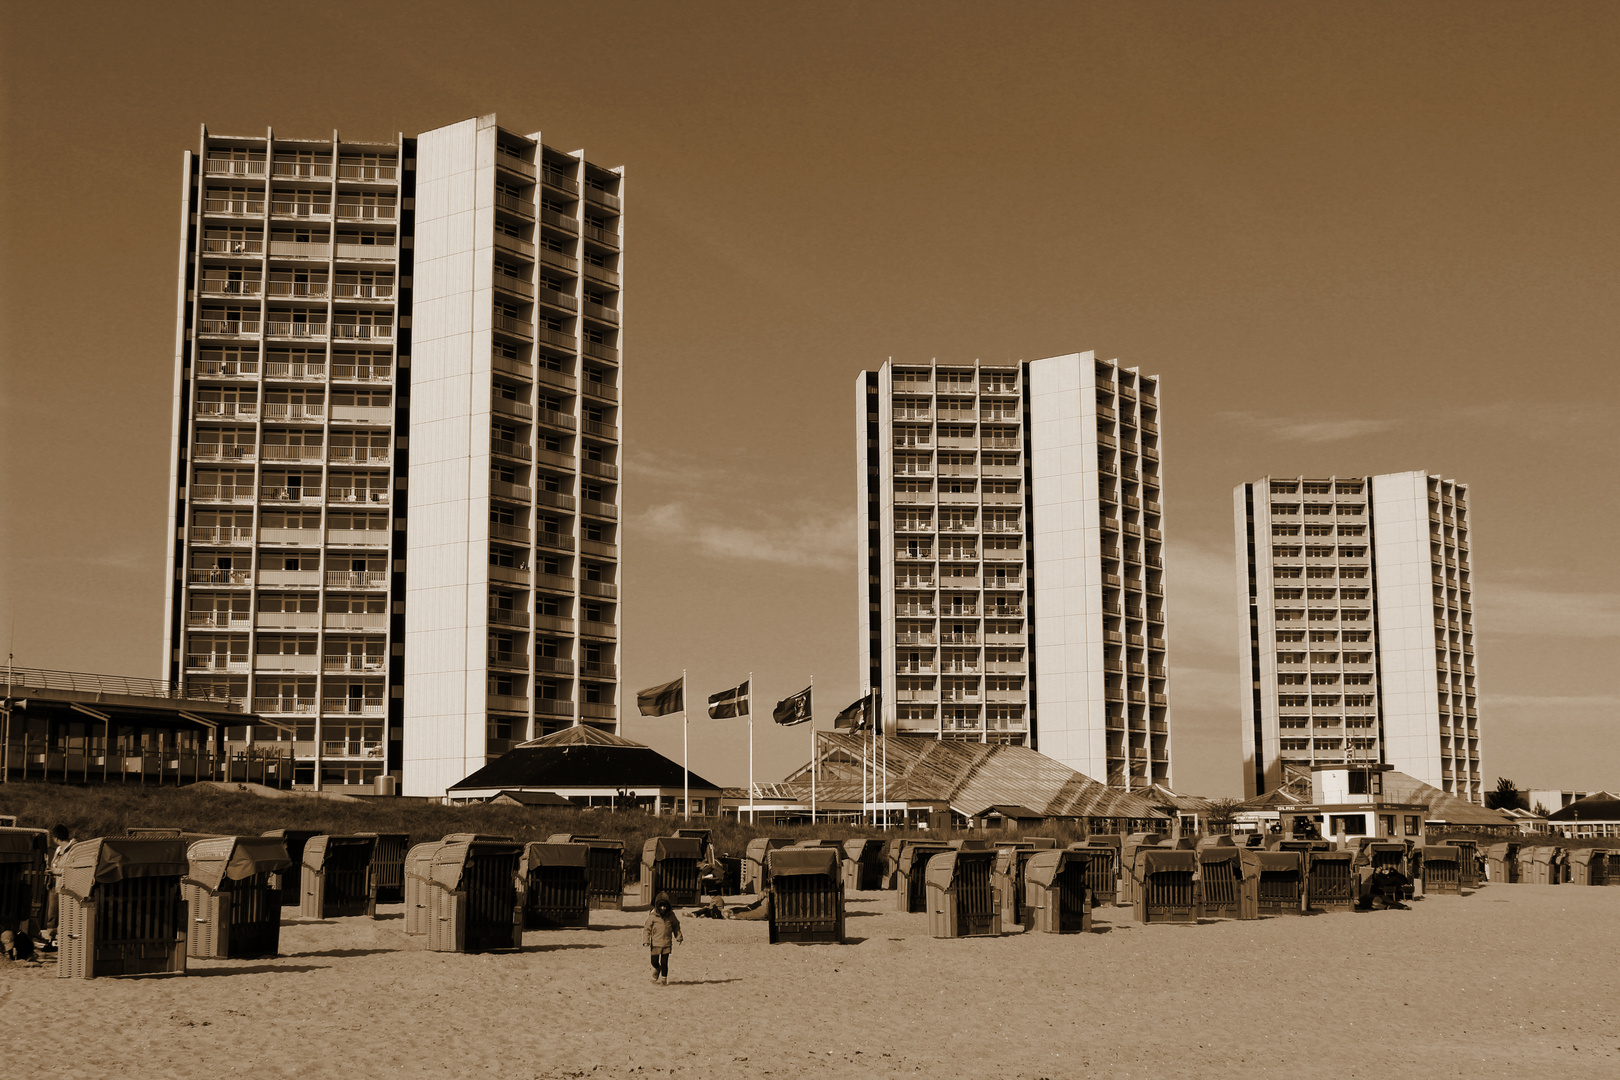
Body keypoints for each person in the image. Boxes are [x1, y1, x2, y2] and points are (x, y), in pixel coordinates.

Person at [642, 893, 682, 986]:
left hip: (667, 943)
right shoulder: (653, 916)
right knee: (654, 961)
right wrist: (646, 941)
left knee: (665, 962)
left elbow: (676, 926)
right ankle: (657, 968)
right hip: (655, 943)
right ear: (657, 906)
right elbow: (647, 929)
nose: (663, 908)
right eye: (661, 906)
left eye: (665, 906)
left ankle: (664, 979)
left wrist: (678, 936)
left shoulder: (671, 915)